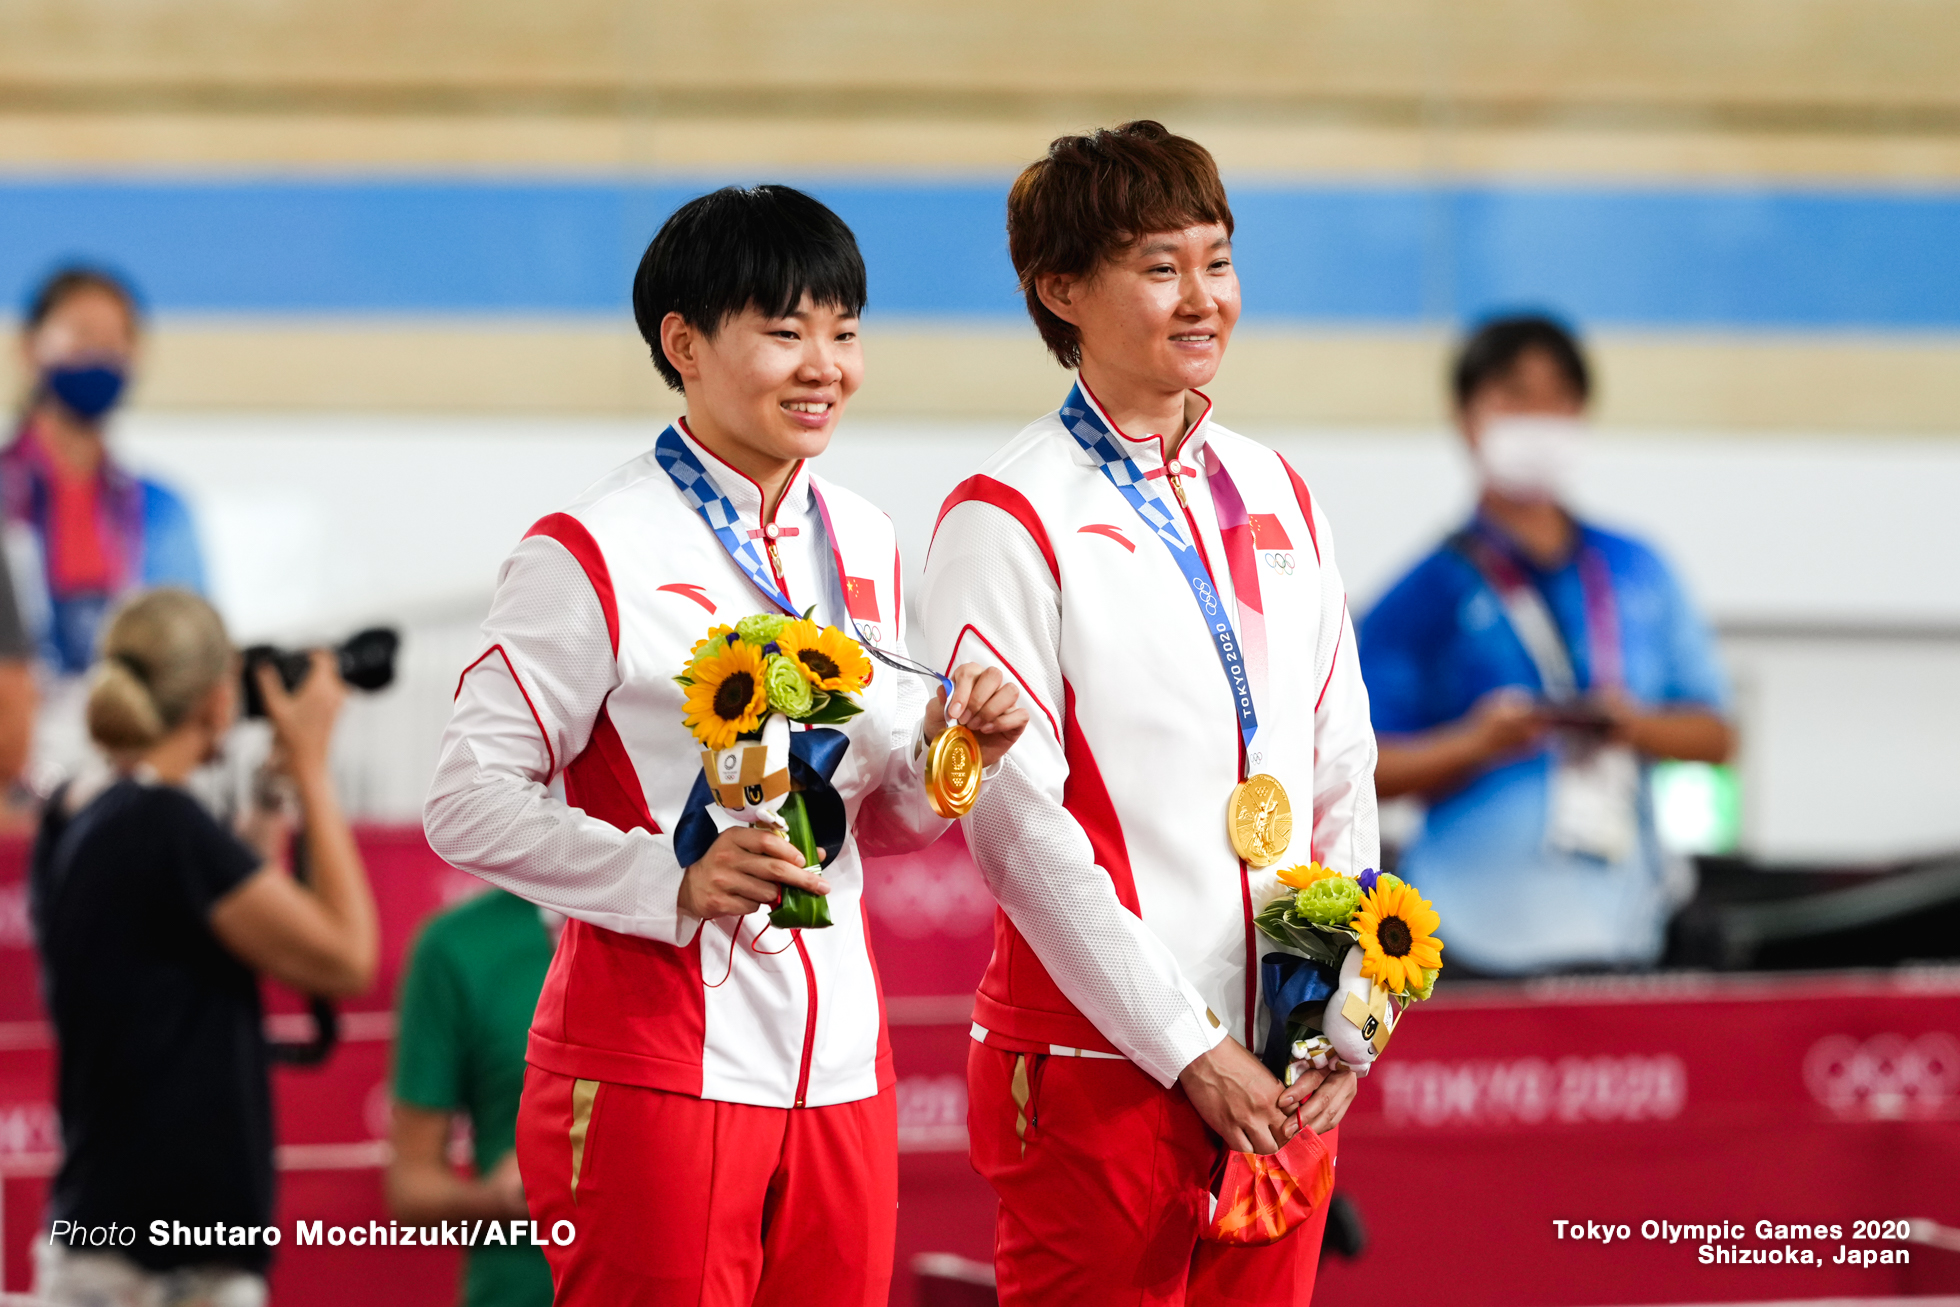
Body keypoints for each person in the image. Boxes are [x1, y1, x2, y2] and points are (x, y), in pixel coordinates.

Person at [423, 184, 1028, 1307]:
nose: (825, 365)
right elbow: (463, 799)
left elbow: (873, 825)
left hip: (841, 1064)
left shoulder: (860, 540)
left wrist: (953, 754)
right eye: (785, 330)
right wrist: (672, 877)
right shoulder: (591, 549)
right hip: (654, 1063)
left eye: (844, 332)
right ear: (684, 342)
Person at [918, 121, 1378, 1306]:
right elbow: (1015, 829)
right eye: (1160, 266)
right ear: (1060, 289)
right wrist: (1187, 1048)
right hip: (1098, 1065)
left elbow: (1338, 754)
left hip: (1282, 1048)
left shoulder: (1275, 488)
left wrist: (1351, 994)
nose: (1202, 298)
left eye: (1216, 261)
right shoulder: (1005, 514)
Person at [29, 588, 377, 1307]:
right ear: (218, 699)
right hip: (175, 1263)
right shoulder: (166, 825)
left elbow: (226, 915)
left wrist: (275, 785)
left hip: (96, 1236)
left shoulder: (76, 811)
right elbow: (348, 956)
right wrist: (312, 766)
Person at [1358, 314, 1734, 976]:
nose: (1538, 414)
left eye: (1557, 396)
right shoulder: (1419, 595)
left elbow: (1717, 736)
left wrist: (1636, 726)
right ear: (1465, 416)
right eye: (1513, 394)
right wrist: (1478, 742)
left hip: (1624, 936)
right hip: (1458, 945)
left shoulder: (1637, 568)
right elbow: (1356, 770)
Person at [387, 888, 559, 1307]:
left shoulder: (712, 924)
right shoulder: (457, 945)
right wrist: (495, 1200)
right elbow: (411, 1185)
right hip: (521, 1287)